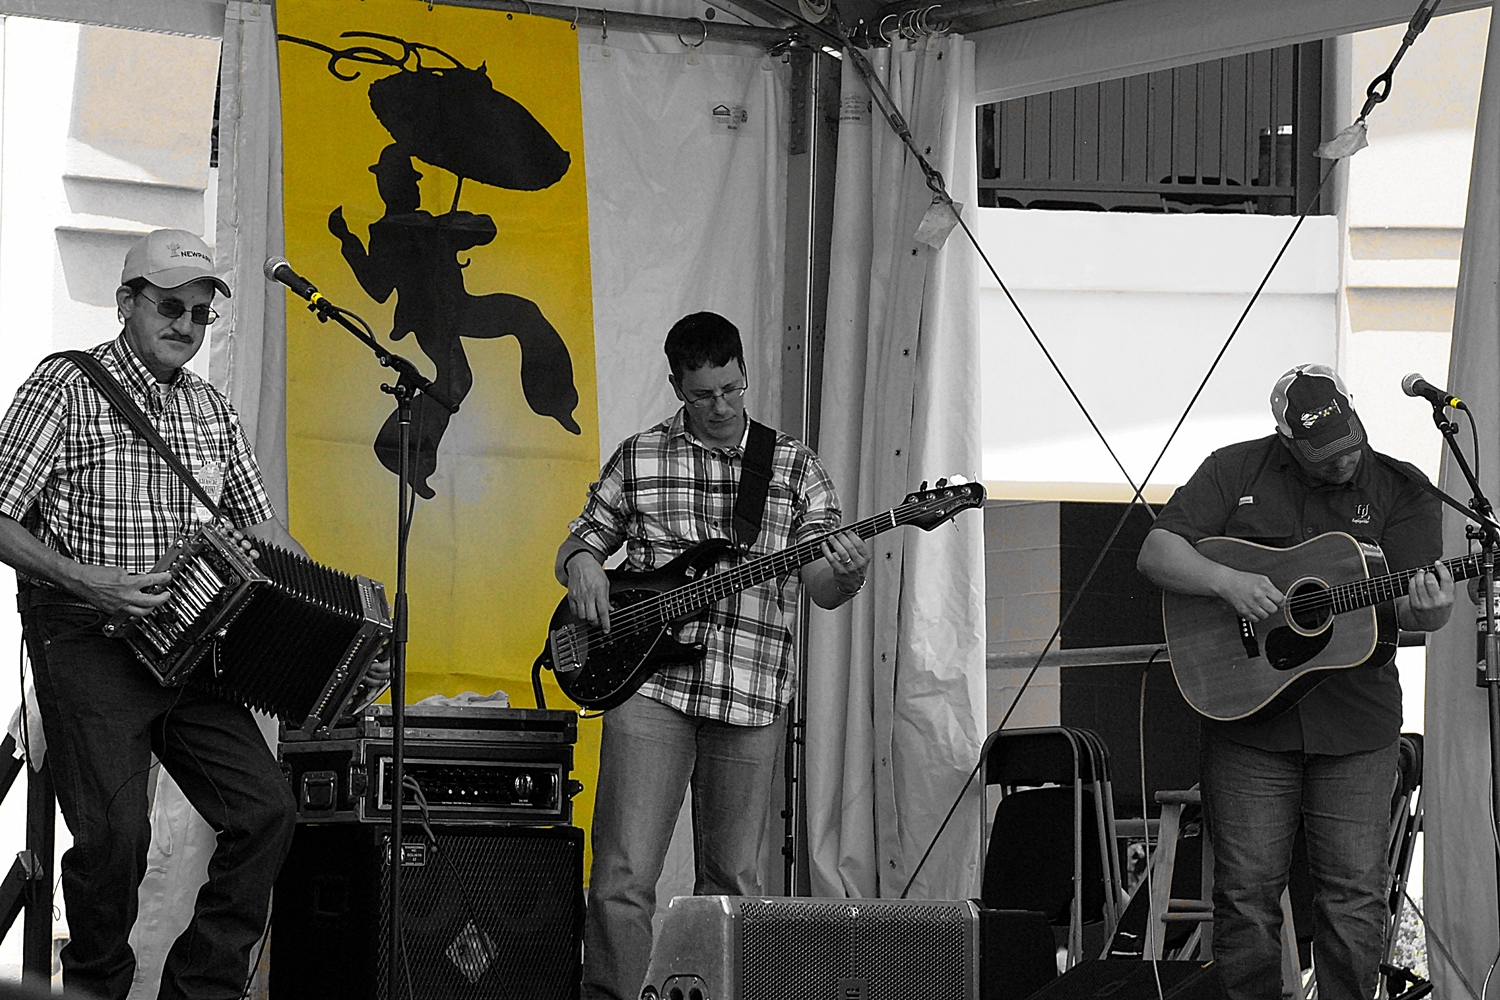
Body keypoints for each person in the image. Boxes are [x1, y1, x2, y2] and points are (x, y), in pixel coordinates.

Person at [0, 229, 302, 1000]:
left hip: (190, 642)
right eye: (170, 306)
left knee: (267, 811)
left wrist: (335, 617)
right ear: (126, 302)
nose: (186, 325)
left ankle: (200, 990)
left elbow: (265, 531)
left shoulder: (212, 408)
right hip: (87, 637)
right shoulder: (64, 385)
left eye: (200, 313)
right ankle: (94, 988)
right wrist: (88, 580)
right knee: (116, 835)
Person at [556, 311, 869, 1000]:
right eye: (703, 395)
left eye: (732, 389)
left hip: (751, 692)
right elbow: (580, 542)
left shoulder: (794, 467)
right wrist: (581, 566)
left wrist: (847, 574)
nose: (722, 406)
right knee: (623, 876)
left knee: (731, 885)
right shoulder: (641, 456)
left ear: (745, 374)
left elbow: (822, 587)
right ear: (677, 387)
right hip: (650, 689)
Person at [1136, 364, 1455, 1000]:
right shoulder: (1234, 468)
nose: (1342, 459)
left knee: (1354, 896)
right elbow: (1156, 552)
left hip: (1356, 723)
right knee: (1245, 893)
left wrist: (1433, 610)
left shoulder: (1402, 487)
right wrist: (1227, 582)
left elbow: (1410, 608)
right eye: (1322, 450)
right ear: (1286, 437)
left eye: (1348, 443)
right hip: (1248, 719)